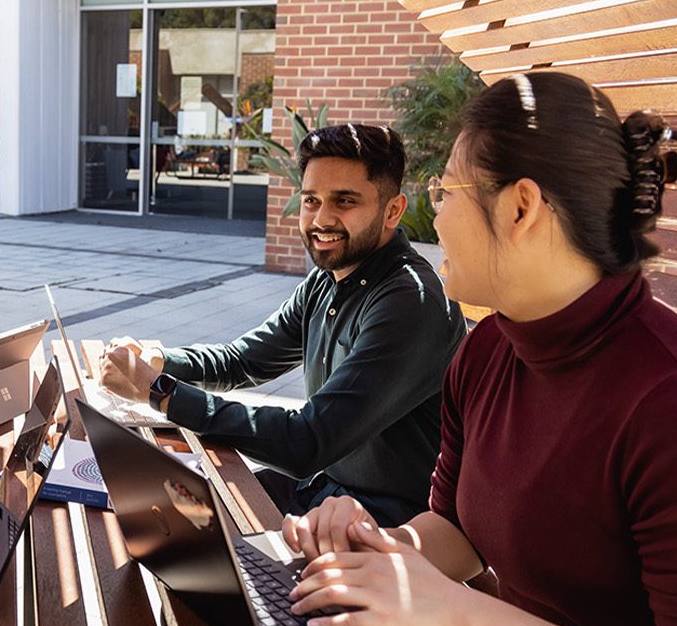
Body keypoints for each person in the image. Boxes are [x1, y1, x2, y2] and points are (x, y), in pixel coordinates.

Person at [283, 72, 677, 626]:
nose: (432, 221)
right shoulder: (493, 348)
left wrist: (458, 612)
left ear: (521, 206)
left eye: (447, 194)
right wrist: (374, 546)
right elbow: (459, 533)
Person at [102, 123, 466, 526]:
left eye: (344, 201)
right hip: (322, 488)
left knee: (194, 533)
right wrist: (160, 360)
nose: (321, 219)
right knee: (163, 513)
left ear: (392, 210)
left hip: (385, 521)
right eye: (312, 200)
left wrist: (160, 392)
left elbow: (307, 441)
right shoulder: (328, 280)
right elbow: (242, 361)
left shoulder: (409, 302)